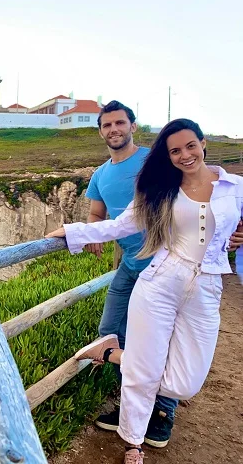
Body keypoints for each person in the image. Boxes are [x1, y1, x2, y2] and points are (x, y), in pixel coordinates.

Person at [46, 118, 243, 464]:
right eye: (175, 151)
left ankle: (109, 352)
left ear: (203, 143)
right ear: (167, 156)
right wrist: (75, 232)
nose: (185, 155)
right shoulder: (159, 190)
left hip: (208, 286)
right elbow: (121, 224)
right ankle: (133, 443)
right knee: (144, 373)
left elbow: (233, 230)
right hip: (160, 282)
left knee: (185, 383)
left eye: (190, 146)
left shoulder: (234, 187)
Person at [82, 100, 178, 447]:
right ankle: (135, 403)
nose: (114, 130)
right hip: (129, 264)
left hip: (163, 265)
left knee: (161, 341)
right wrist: (93, 233)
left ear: (133, 126)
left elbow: (195, 189)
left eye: (120, 123)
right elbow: (97, 213)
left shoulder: (154, 160)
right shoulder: (100, 175)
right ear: (101, 131)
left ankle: (162, 413)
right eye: (107, 125)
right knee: (110, 331)